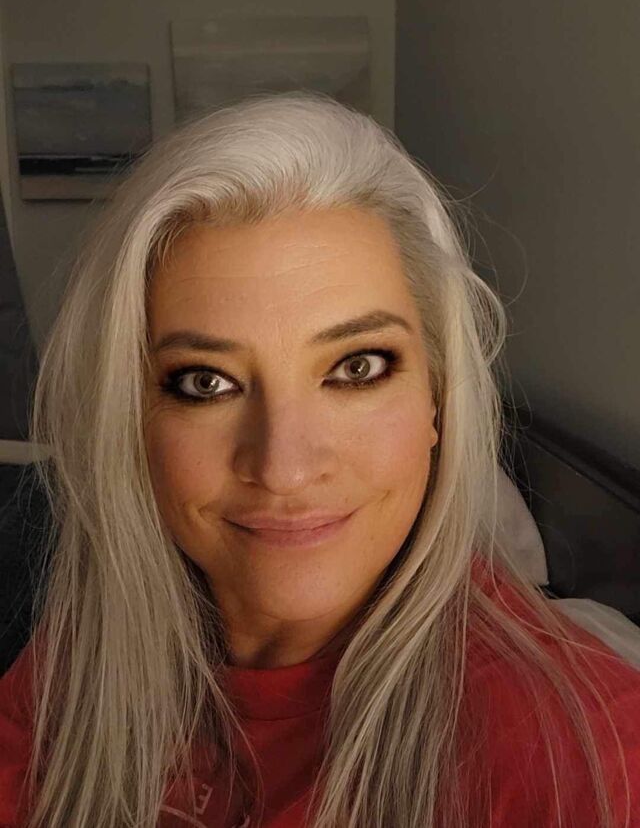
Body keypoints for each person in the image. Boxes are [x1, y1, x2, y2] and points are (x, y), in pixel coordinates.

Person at [0, 90, 638, 828]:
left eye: (357, 368)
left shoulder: (586, 755)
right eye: (206, 382)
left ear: (438, 400)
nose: (286, 468)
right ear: (132, 421)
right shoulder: (86, 654)